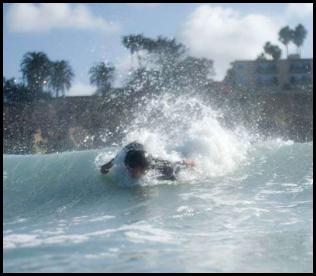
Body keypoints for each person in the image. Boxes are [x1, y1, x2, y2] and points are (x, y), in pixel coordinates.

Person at [100, 141, 195, 180]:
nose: (133, 173)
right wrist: (105, 167)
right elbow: (115, 160)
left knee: (170, 171)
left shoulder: (149, 164)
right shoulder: (126, 160)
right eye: (133, 171)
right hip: (131, 147)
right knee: (111, 163)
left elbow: (172, 166)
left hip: (142, 156)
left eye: (135, 171)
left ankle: (190, 162)